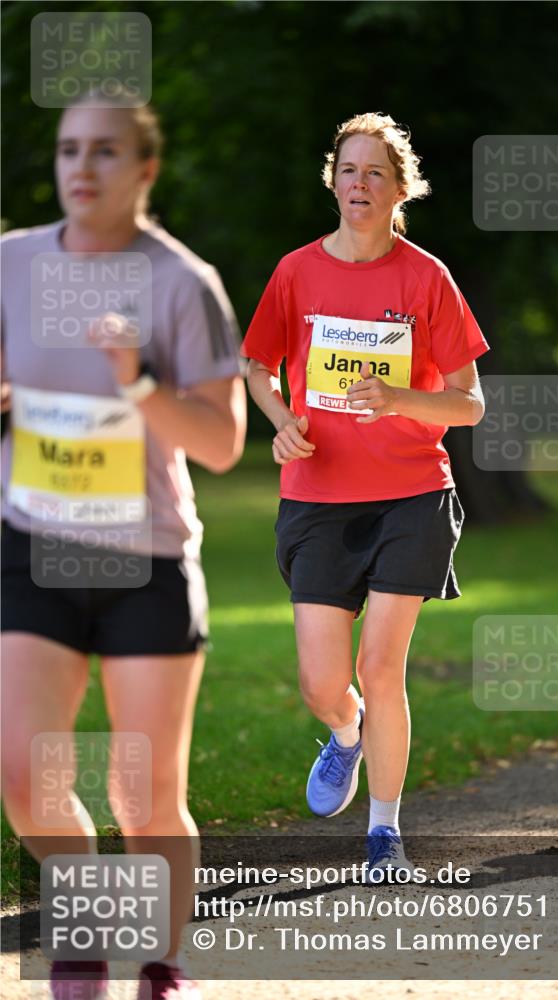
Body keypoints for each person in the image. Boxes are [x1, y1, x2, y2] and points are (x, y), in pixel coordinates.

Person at [0, 94, 246, 999]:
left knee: (143, 796)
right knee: (23, 773)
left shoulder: (182, 283)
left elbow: (221, 443)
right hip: (32, 544)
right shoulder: (13, 262)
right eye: (70, 149)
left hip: (145, 559)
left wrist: (137, 381)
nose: (82, 166)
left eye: (105, 150)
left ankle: (161, 963)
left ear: (144, 169)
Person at [243, 112, 489, 880]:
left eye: (374, 172)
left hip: (410, 494)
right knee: (324, 684)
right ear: (333, 182)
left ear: (398, 189)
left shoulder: (426, 278)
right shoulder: (295, 272)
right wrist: (282, 422)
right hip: (317, 496)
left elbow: (469, 404)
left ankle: (384, 835)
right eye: (348, 170)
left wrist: (398, 400)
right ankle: (344, 734)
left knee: (381, 666)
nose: (359, 184)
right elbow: (258, 366)